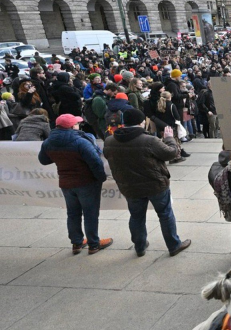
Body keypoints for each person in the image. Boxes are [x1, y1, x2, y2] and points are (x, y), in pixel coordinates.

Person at [102, 108, 192, 258]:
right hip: (154, 183)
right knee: (165, 214)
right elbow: (170, 153)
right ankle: (173, 245)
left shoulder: (110, 140)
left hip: (129, 185)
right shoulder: (149, 140)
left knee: (136, 216)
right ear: (141, 122)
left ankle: (140, 246)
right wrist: (169, 139)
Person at [38, 113, 112, 255]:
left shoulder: (49, 142)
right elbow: (95, 162)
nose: (79, 125)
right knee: (90, 213)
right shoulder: (81, 141)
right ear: (71, 126)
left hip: (66, 183)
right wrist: (101, 178)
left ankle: (77, 243)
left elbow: (43, 160)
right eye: (76, 123)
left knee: (73, 213)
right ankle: (93, 244)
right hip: (86, 182)